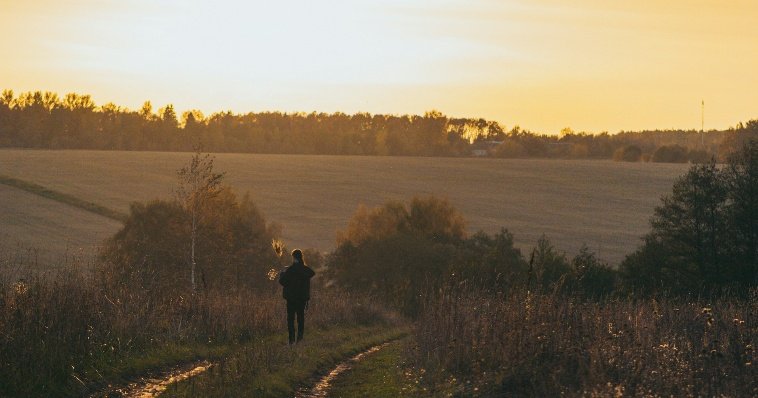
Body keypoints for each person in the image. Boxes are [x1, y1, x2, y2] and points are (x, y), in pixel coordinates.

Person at [278, 249, 315, 344]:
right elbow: (312, 273)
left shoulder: (290, 270)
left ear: (293, 257)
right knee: (300, 318)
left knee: (290, 319)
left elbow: (282, 282)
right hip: (302, 298)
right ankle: (299, 339)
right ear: (301, 257)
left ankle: (291, 340)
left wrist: (283, 273)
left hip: (291, 298)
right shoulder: (305, 270)